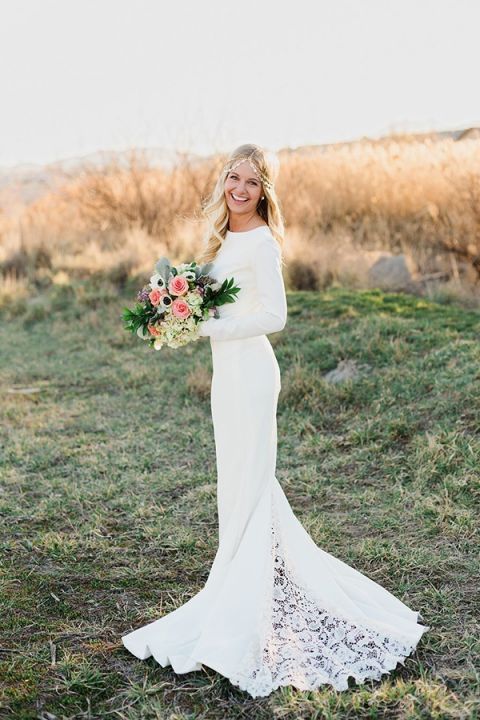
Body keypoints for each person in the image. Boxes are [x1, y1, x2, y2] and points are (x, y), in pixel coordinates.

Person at [121, 143, 429, 697]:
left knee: (253, 482)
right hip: (226, 377)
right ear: (223, 183)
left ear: (264, 190)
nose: (240, 189)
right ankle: (236, 586)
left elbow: (276, 316)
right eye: (233, 178)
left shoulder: (263, 241)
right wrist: (176, 310)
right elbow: (220, 302)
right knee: (234, 483)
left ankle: (244, 602)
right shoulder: (222, 238)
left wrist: (207, 328)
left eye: (252, 182)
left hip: (254, 375)